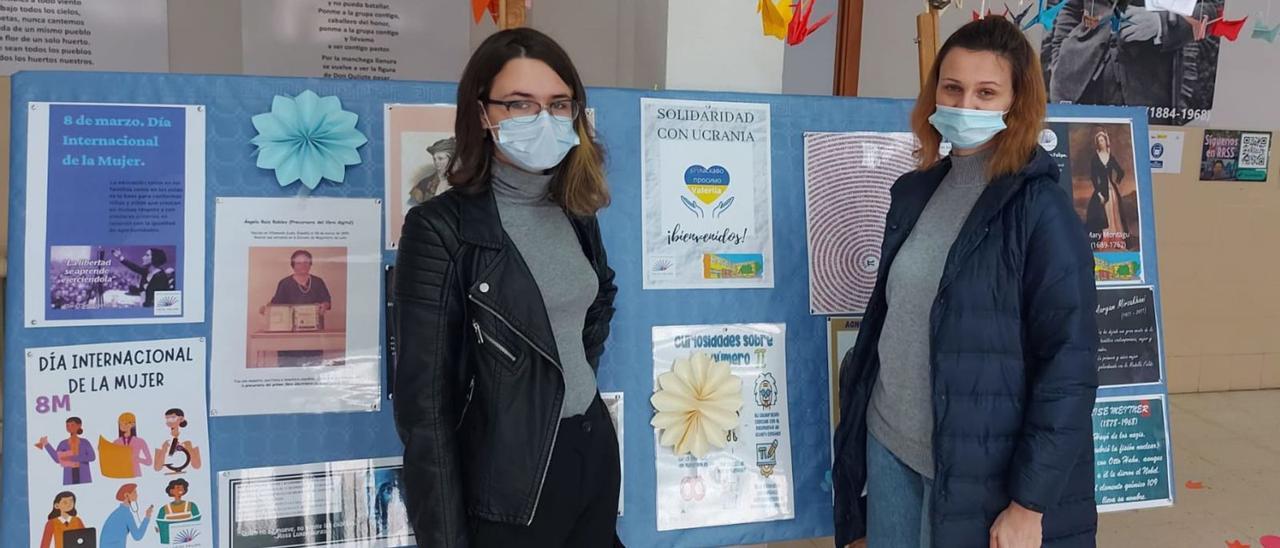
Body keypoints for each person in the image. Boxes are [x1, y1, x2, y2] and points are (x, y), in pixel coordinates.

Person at [832, 17, 1100, 548]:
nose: (965, 105)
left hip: (978, 469)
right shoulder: (914, 192)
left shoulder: (1040, 210)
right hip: (890, 445)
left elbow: (1068, 366)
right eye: (952, 89)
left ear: (1015, 103)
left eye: (986, 92)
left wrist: (1030, 503)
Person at [394, 27, 618, 547]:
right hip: (510, 484)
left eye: (558, 103)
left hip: (590, 449)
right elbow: (425, 411)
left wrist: (562, 387)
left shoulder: (575, 208)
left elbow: (595, 303)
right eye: (519, 104)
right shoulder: (440, 230)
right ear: (482, 114)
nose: (543, 119)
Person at [1044, 0, 1224, 112]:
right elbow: (1070, 7)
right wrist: (1058, 63)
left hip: (1149, 89)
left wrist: (1160, 24)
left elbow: (1217, 9)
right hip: (1078, 82)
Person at [265, 249, 334, 366]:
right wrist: (266, 308)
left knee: (313, 366)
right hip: (289, 335)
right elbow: (276, 304)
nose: (303, 265)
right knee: (289, 367)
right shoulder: (285, 283)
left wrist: (324, 305)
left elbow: (327, 301)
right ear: (293, 265)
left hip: (313, 333)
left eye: (306, 262)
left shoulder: (318, 282)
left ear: (310, 264)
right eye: (299, 263)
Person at [1086, 129, 1129, 241]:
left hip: (1112, 190)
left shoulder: (1111, 157)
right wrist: (1099, 194)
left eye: (1102, 140)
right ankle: (1105, 239)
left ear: (1106, 141)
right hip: (1101, 190)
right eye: (1099, 141)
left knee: (1115, 214)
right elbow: (1093, 177)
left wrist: (1117, 181)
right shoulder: (1095, 159)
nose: (1101, 142)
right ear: (1097, 143)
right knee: (1104, 214)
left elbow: (1120, 171)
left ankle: (1117, 239)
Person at [35, 417, 96, 485]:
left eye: (72, 425)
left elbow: (92, 457)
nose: (69, 427)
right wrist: (46, 444)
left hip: (84, 475)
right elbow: (57, 459)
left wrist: (72, 457)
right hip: (69, 476)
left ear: (79, 425)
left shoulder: (85, 442)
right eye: (67, 425)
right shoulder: (63, 443)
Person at [100, 483, 153, 548]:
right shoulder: (125, 513)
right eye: (134, 492)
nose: (137, 495)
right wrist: (147, 517)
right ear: (126, 495)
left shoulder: (120, 511)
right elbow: (137, 536)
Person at [409, 137, 457, 204]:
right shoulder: (424, 184)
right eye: (434, 159)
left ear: (451, 160)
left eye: (440, 158)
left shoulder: (463, 184)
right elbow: (411, 206)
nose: (436, 162)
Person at [154, 408, 202, 474]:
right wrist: (163, 450)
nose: (170, 421)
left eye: (173, 417)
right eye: (167, 418)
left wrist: (189, 448)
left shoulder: (190, 438)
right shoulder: (161, 439)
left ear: (181, 419)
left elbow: (197, 466)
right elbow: (157, 468)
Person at [156, 478, 202, 544]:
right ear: (171, 491)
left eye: (182, 488)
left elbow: (198, 523)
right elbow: (161, 526)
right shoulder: (164, 509)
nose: (180, 489)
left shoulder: (191, 506)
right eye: (177, 487)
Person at [111, 412, 153, 478]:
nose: (123, 426)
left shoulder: (140, 441)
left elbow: (149, 462)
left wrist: (137, 459)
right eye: (121, 424)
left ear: (133, 424)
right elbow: (112, 460)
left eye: (126, 423)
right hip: (121, 473)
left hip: (135, 473)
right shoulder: (116, 442)